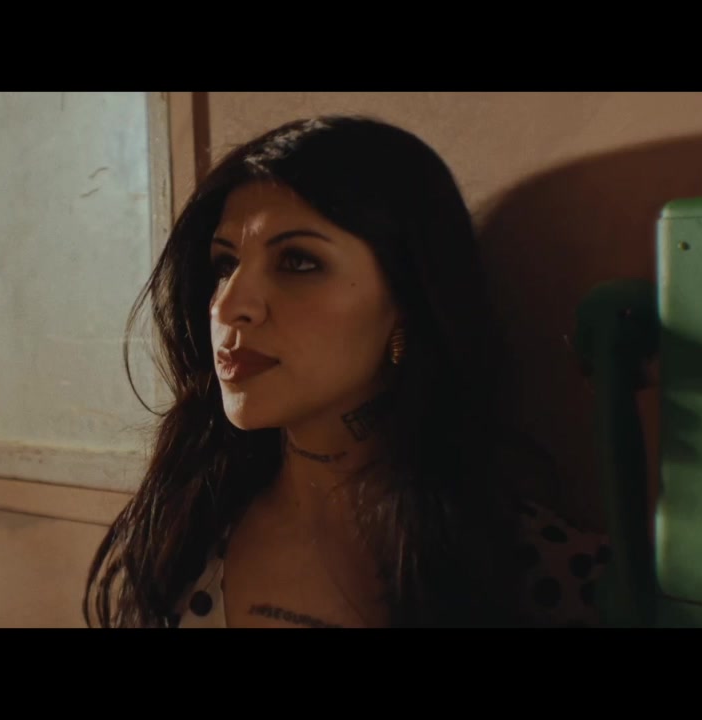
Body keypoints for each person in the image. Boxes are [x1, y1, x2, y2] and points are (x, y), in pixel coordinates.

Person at [84, 116, 609, 628]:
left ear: (407, 302)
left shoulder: (537, 574)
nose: (228, 305)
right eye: (225, 265)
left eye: (298, 262)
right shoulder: (182, 531)